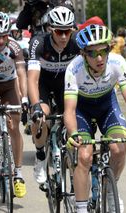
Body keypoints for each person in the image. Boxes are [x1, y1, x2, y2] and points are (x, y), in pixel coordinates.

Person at [64, 24, 126, 213]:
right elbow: (69, 110)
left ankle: (111, 190)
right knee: (84, 156)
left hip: (107, 107)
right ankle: (81, 208)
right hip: (82, 110)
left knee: (119, 149)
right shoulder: (74, 68)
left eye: (104, 50)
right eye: (93, 53)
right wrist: (73, 134)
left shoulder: (117, 62)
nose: (100, 57)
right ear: (83, 54)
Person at [27, 6, 80, 184]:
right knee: (40, 117)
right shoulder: (39, 43)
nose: (64, 36)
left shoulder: (77, 43)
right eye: (59, 31)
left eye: (67, 31)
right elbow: (32, 80)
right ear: (50, 29)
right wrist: (35, 107)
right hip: (43, 83)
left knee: (72, 117)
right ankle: (41, 156)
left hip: (64, 85)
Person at [0, 11, 28, 198]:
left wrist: (25, 98)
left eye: (4, 36)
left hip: (9, 85)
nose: (1, 41)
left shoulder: (14, 48)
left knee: (13, 126)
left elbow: (22, 73)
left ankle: (17, 174)